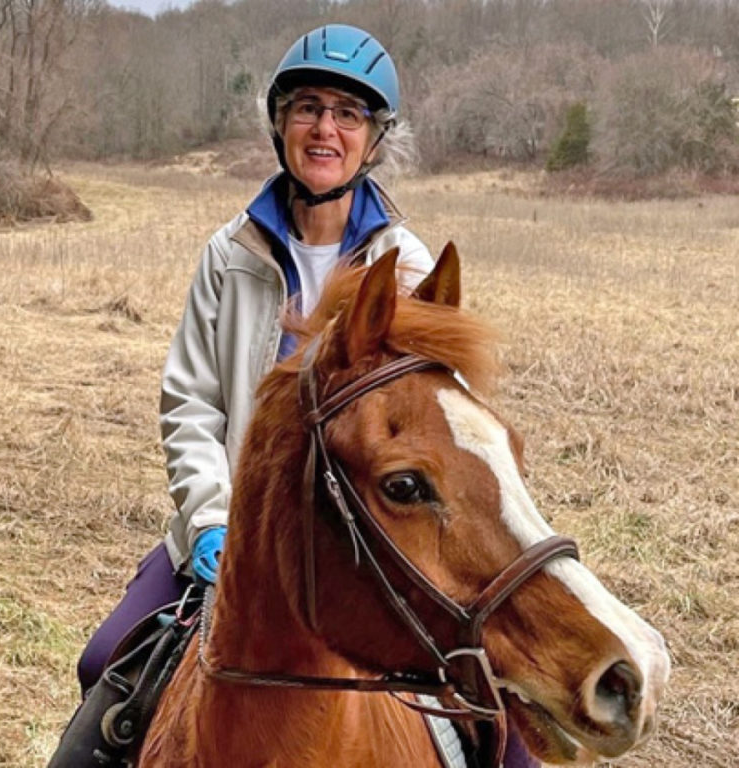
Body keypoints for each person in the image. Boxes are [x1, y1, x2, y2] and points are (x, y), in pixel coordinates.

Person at [69, 23, 537, 768]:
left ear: (375, 138)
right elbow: (190, 404)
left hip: (372, 546)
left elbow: (433, 433)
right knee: (104, 665)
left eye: (349, 114)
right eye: (309, 107)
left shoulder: (405, 266)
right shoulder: (230, 256)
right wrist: (214, 522)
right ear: (280, 122)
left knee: (506, 731)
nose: (326, 128)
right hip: (236, 536)